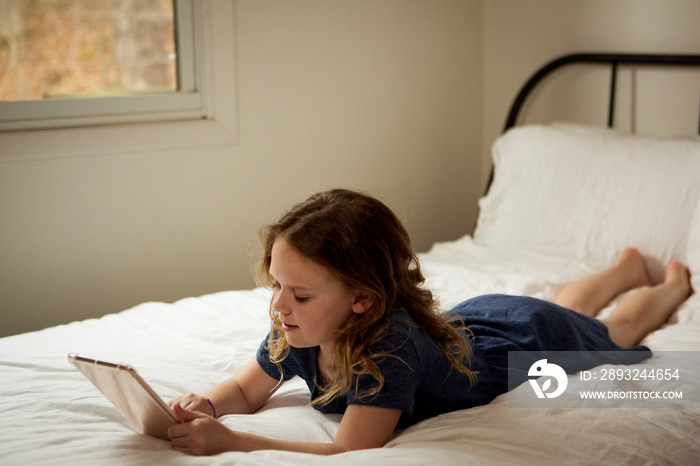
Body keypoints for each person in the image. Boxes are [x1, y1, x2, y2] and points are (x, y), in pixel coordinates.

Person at [167, 189, 692, 456]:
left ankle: (670, 287)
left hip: (523, 344)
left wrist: (234, 442)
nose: (279, 305)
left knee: (608, 333)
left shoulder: (387, 351)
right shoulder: (299, 325)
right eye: (276, 285)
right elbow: (247, 387)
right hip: (477, 321)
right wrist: (209, 404)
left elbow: (349, 449)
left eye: (299, 293)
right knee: (568, 307)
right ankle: (621, 270)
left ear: (363, 301)